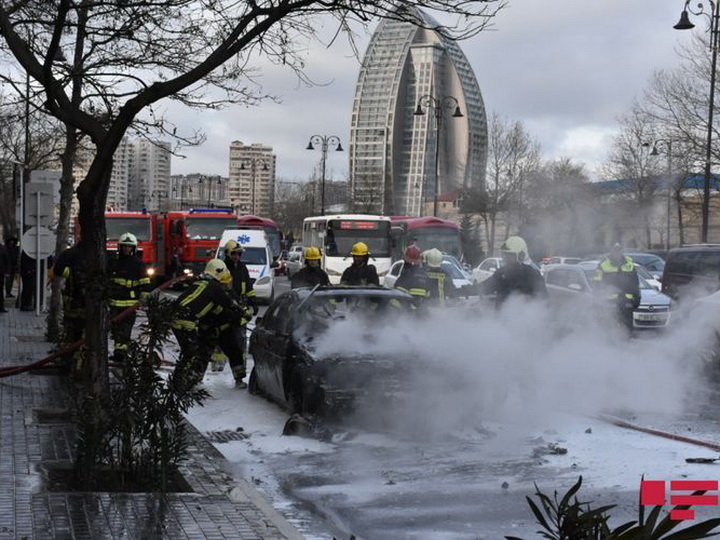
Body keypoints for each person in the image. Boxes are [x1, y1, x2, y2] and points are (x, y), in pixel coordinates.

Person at [171, 259, 250, 390]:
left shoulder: (202, 285)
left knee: (193, 352)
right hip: (194, 323)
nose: (226, 286)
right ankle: (184, 382)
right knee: (194, 353)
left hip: (206, 325)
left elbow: (219, 309)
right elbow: (228, 304)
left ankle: (185, 381)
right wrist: (242, 313)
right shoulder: (214, 288)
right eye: (224, 284)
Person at [107, 232, 152, 362]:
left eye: (129, 246)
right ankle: (118, 350)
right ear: (119, 247)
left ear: (134, 248)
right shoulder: (113, 262)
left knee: (126, 328)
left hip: (130, 304)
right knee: (115, 329)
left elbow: (145, 284)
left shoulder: (139, 264)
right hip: (114, 302)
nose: (127, 249)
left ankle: (122, 352)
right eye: (124, 246)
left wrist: (143, 299)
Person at [221, 239, 258, 386]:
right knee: (221, 341)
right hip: (225, 309)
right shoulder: (222, 268)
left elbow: (248, 286)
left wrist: (253, 301)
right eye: (234, 253)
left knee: (240, 342)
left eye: (239, 254)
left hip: (240, 309)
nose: (237, 256)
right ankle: (215, 368)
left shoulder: (242, 268)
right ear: (228, 254)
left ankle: (239, 377)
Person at [480, 236, 547, 307]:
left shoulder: (532, 275)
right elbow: (485, 287)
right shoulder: (501, 273)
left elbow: (543, 300)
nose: (506, 259)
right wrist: (468, 290)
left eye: (510, 256)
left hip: (526, 316)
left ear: (521, 256)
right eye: (505, 255)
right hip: (501, 316)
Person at [52, 244, 89, 367]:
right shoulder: (98, 253)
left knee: (71, 333)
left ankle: (69, 360)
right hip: (79, 302)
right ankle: (77, 361)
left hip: (74, 302)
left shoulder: (69, 254)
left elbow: (57, 270)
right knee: (79, 333)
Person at [593, 243, 640, 332]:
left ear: (622, 251)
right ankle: (608, 345)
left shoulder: (629, 263)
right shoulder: (603, 265)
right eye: (615, 250)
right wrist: (597, 299)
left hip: (627, 301)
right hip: (609, 302)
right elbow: (597, 283)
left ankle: (626, 344)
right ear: (611, 251)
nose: (617, 253)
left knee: (628, 328)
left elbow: (635, 283)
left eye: (619, 250)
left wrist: (637, 298)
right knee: (609, 327)